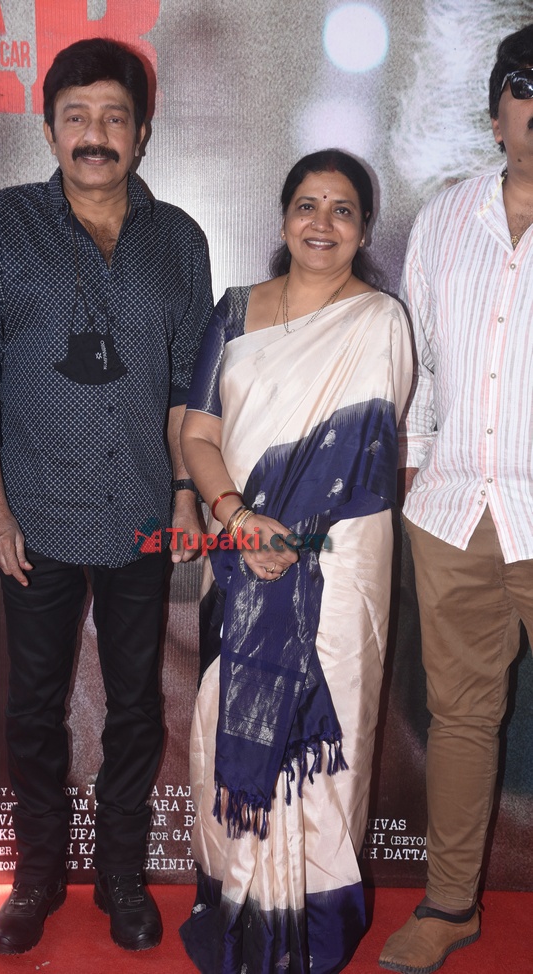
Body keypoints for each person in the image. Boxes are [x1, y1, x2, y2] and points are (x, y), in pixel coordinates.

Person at [0, 36, 212, 957]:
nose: (95, 135)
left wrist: (186, 494)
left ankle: (123, 878)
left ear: (142, 131)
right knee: (33, 707)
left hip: (142, 512)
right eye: (77, 117)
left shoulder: (180, 240)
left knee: (136, 707)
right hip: (34, 516)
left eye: (114, 118)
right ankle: (36, 878)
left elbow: (190, 382)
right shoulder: (3, 225)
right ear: (49, 126)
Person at [178, 149, 413, 974]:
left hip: (341, 570)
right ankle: (239, 914)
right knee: (226, 727)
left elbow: (367, 457)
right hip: (240, 558)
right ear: (283, 219)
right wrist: (241, 520)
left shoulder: (381, 321)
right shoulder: (234, 311)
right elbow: (198, 434)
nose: (322, 222)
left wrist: (299, 537)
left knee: (332, 749)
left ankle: (314, 935)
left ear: (364, 230)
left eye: (342, 209)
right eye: (307, 205)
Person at [379, 24, 533, 974]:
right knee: (463, 717)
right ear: (497, 109)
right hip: (454, 514)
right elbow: (423, 370)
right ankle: (448, 905)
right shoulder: (444, 219)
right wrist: (417, 480)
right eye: (526, 86)